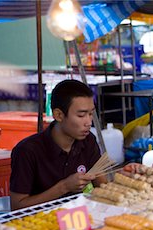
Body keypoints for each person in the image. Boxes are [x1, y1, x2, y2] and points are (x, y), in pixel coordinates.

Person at [10, 80, 106, 210]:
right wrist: (64, 187)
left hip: (78, 218)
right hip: (39, 223)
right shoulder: (27, 151)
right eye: (81, 115)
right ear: (59, 115)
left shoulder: (88, 141)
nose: (89, 122)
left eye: (90, 114)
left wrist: (125, 176)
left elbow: (103, 187)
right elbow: (17, 206)